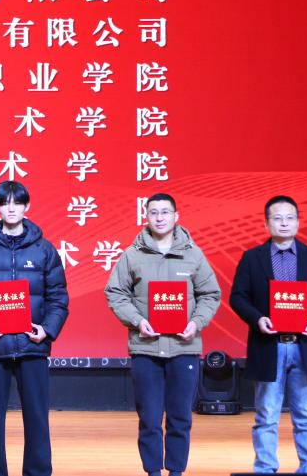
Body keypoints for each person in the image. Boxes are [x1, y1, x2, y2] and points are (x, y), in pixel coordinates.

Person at [0, 181, 69, 476]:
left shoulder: (45, 250)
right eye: (4, 203)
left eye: (17, 202)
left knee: (37, 420)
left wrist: (47, 330)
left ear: (26, 206)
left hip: (33, 347)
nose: (11, 208)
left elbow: (58, 298)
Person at [104, 193, 221, 476]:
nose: (159, 218)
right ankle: (153, 471)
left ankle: (176, 471)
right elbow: (116, 293)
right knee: (150, 418)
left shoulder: (193, 254)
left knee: (180, 417)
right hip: (146, 348)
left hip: (184, 348)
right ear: (146, 216)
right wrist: (137, 320)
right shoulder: (132, 255)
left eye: (165, 212)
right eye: (153, 212)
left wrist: (196, 323)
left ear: (176, 216)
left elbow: (210, 294)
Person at [228, 196, 307, 473]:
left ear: (298, 222)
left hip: (305, 345)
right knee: (266, 415)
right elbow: (238, 297)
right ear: (266, 224)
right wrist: (258, 319)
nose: (284, 223)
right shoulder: (252, 258)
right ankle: (265, 468)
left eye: (290, 218)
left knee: (306, 415)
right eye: (277, 218)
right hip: (269, 345)